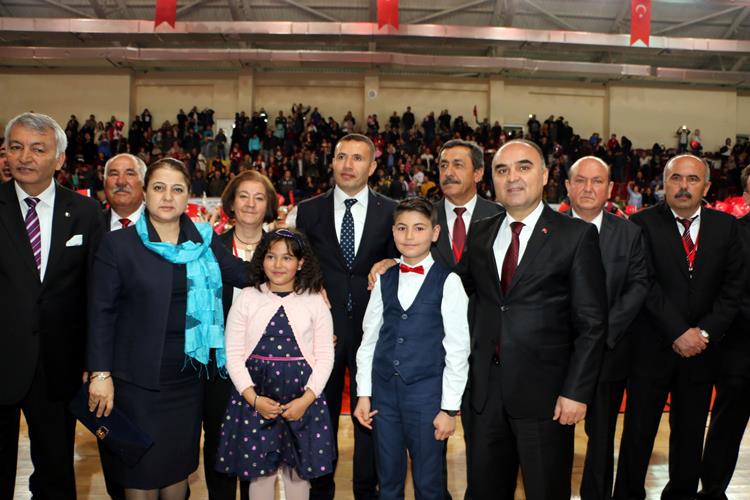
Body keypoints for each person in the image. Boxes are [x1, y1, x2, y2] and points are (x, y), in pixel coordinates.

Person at [87, 158, 249, 499]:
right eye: (159, 188)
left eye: (177, 189)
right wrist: (100, 373)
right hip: (135, 384)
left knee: (177, 473)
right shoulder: (119, 245)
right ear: (145, 193)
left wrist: (303, 271)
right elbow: (101, 313)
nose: (167, 196)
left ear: (188, 196)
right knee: (140, 477)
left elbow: (245, 274)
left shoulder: (204, 242)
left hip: (188, 381)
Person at [456, 139, 608, 500]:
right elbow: (456, 288)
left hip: (547, 398)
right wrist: (396, 266)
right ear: (492, 179)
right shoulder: (481, 232)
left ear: (544, 176)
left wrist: (575, 392)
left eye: (523, 167)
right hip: (485, 394)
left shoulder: (575, 235)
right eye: (502, 170)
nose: (512, 177)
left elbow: (592, 323)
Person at [368, 139, 503, 499]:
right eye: (443, 164)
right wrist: (390, 264)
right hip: (420, 362)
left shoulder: (501, 216)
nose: (448, 172)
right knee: (416, 467)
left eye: (458, 164)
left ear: (478, 172)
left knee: (484, 448)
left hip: (486, 348)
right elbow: (402, 263)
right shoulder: (421, 216)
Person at [613, 155, 744, 500]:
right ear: (664, 183)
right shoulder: (639, 223)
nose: (684, 186)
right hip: (650, 349)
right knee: (638, 433)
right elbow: (643, 282)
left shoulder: (726, 227)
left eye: (693, 179)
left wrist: (704, 333)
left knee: (689, 435)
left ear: (707, 186)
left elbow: (733, 289)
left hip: (701, 351)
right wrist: (677, 332)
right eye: (676, 179)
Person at [0, 112, 105, 499]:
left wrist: (95, 363)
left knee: (56, 474)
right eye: (16, 147)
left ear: (59, 158)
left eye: (37, 149)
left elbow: (96, 293)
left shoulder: (86, 213)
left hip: (59, 367)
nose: (24, 157)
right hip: (2, 361)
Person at [295, 133, 398, 500]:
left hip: (374, 330)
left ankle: (366, 490)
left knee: (369, 412)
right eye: (341, 157)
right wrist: (311, 284)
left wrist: (392, 260)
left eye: (357, 158)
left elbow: (405, 256)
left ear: (372, 167)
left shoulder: (392, 210)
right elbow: (299, 261)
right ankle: (320, 488)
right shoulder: (309, 210)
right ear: (332, 162)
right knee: (319, 414)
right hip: (325, 329)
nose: (348, 165)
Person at [354, 197, 470, 500]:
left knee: (428, 482)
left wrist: (449, 409)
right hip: (384, 397)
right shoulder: (384, 278)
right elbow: (369, 340)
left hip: (426, 397)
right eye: (402, 228)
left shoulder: (449, 282)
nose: (409, 236)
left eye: (419, 228)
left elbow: (458, 350)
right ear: (393, 232)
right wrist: (364, 393)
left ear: (435, 232)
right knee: (388, 481)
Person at [216, 228, 335, 500]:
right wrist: (253, 398)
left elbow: (325, 355)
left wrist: (306, 400)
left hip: (302, 399)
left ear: (301, 263)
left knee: (298, 475)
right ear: (262, 259)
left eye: (287, 258)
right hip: (256, 398)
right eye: (271, 256)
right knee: (259, 476)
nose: (278, 264)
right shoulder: (248, 298)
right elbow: (232, 352)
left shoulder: (314, 301)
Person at [564, 156, 649, 500]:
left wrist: (599, 336)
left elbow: (639, 285)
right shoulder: (547, 228)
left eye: (597, 181)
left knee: (601, 440)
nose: (588, 188)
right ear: (567, 186)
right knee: (550, 440)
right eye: (580, 180)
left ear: (610, 188)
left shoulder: (629, 233)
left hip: (608, 355)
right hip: (555, 355)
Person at [203, 170, 279, 500]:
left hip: (267, 366)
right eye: (243, 196)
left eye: (259, 197)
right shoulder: (211, 246)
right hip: (217, 365)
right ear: (231, 202)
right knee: (217, 441)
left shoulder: (282, 250)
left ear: (269, 205)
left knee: (259, 445)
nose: (250, 203)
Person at [697, 164, 750, 500]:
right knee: (726, 429)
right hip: (741, 349)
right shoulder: (735, 233)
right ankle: (712, 492)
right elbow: (730, 291)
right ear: (746, 194)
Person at [103, 153, 147, 231]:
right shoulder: (91, 223)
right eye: (114, 174)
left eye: (130, 174)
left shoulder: (163, 222)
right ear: (104, 182)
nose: (121, 182)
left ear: (144, 182)